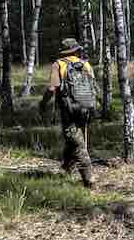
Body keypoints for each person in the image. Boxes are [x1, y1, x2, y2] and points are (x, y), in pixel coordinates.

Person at [39, 38, 97, 187]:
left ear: (64, 51)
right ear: (77, 50)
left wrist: (43, 103)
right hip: (86, 108)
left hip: (68, 111)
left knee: (77, 144)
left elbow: (52, 88)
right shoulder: (86, 65)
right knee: (74, 139)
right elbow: (93, 87)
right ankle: (66, 169)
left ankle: (89, 180)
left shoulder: (58, 65)